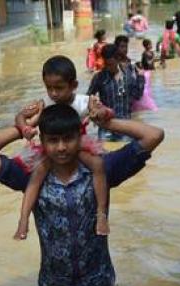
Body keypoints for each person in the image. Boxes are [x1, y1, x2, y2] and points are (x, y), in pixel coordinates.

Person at [0, 103, 165, 286]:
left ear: (80, 138)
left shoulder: (102, 169)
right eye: (52, 140)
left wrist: (108, 123)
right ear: (42, 141)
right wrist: (23, 127)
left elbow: (154, 135)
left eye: (68, 139)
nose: (61, 147)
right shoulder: (30, 174)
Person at [13, 56, 110, 239]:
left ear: (73, 85)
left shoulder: (84, 102)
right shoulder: (44, 104)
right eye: (49, 88)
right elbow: (21, 117)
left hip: (79, 145)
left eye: (59, 88)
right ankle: (23, 220)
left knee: (97, 165)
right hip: (49, 150)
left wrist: (99, 111)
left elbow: (104, 111)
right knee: (37, 175)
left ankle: (101, 214)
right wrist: (24, 127)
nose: (54, 93)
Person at [87, 44, 146, 141]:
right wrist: (93, 109)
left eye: (110, 64)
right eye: (105, 64)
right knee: (103, 154)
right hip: (106, 128)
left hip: (125, 127)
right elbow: (88, 97)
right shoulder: (99, 77)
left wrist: (141, 77)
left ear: (118, 59)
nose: (108, 67)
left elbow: (137, 96)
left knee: (127, 155)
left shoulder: (129, 75)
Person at [133, 39, 158, 112]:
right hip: (147, 72)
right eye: (150, 44)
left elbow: (152, 63)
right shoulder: (145, 54)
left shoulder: (150, 52)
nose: (151, 45)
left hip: (151, 71)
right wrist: (153, 58)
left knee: (150, 87)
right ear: (146, 46)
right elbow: (148, 63)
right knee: (147, 87)